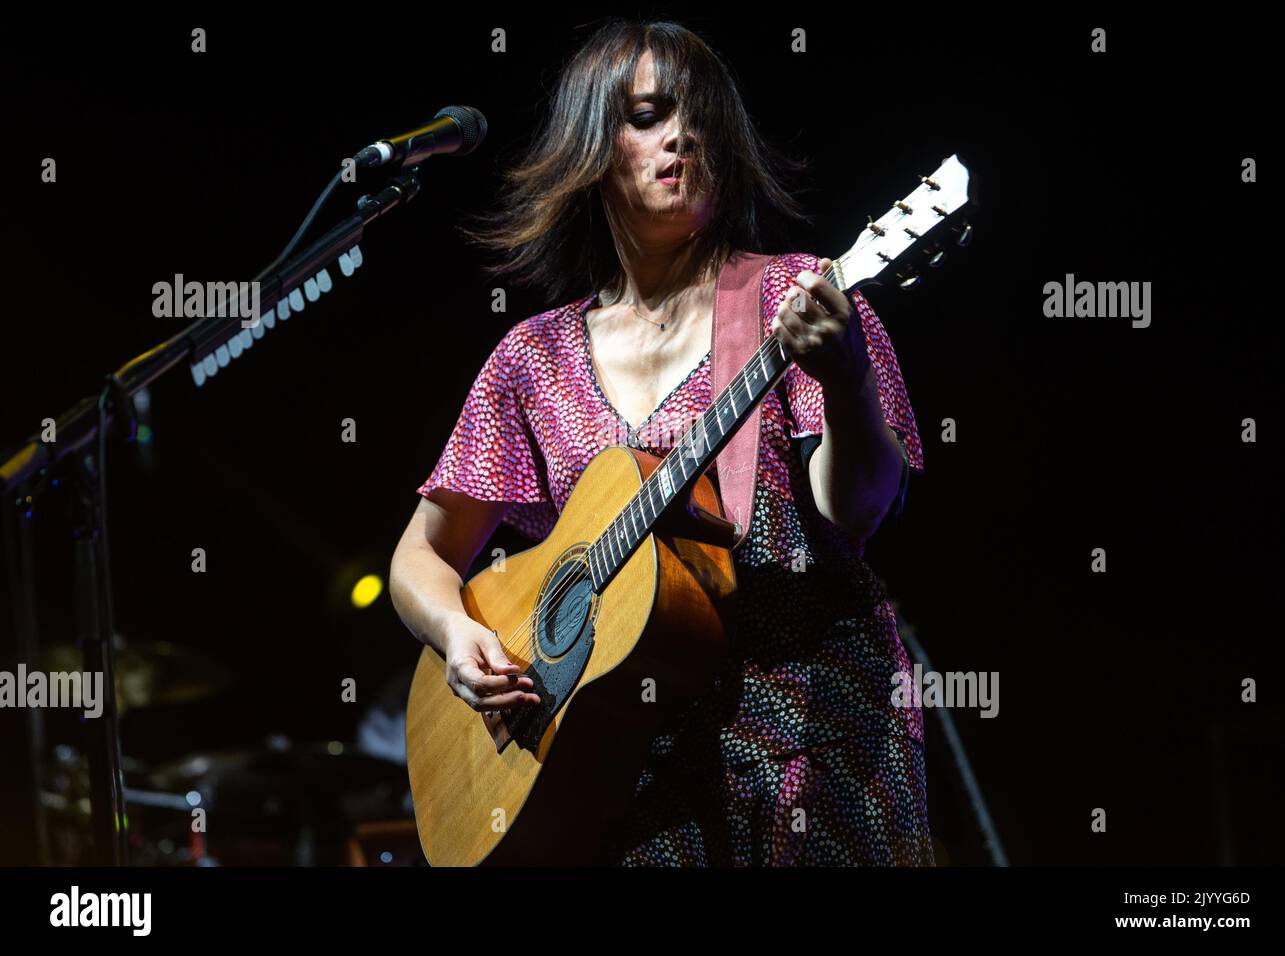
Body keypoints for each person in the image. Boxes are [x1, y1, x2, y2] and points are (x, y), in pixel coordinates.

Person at [389, 19, 935, 866]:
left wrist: (848, 380)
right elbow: (420, 558)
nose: (682, 134)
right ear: (591, 148)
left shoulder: (795, 296)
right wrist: (460, 638)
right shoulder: (532, 358)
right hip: (625, 776)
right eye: (647, 115)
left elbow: (858, 512)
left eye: (699, 116)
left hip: (818, 744)